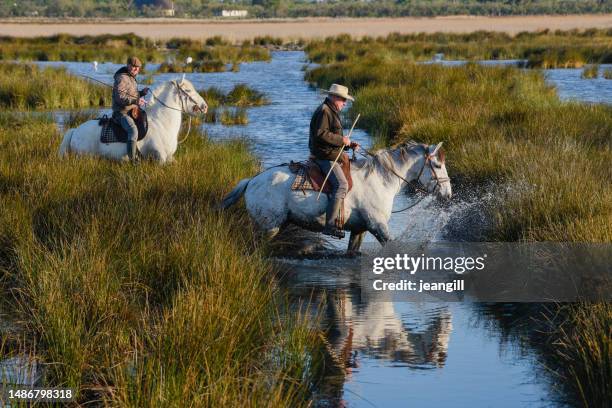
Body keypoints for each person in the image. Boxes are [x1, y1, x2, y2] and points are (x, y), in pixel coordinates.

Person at [309, 83, 358, 239]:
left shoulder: (331, 110)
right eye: (343, 100)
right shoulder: (324, 111)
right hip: (325, 156)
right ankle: (329, 226)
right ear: (334, 97)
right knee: (341, 184)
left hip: (331, 152)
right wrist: (341, 140)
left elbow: (333, 138)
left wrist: (349, 145)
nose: (345, 103)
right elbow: (321, 134)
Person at [112, 56, 149, 162]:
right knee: (133, 130)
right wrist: (136, 101)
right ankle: (133, 160)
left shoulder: (131, 77)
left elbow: (131, 95)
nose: (137, 69)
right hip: (121, 113)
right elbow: (121, 98)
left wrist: (141, 93)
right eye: (134, 67)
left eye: (138, 68)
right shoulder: (122, 78)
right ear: (128, 66)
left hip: (132, 111)